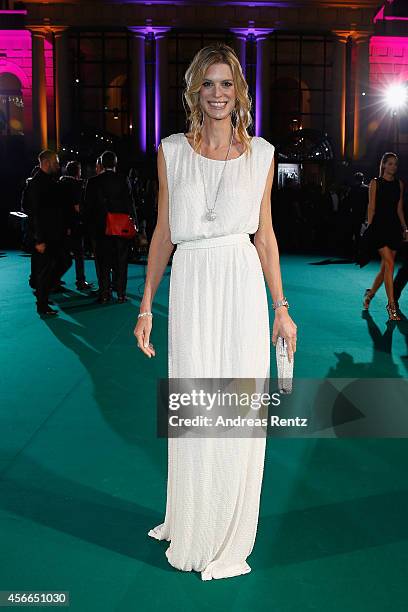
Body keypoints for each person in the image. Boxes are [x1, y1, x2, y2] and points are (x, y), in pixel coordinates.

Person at [133, 43, 297, 580]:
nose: (218, 94)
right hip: (192, 287)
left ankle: (226, 530)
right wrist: (146, 306)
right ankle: (192, 519)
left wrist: (281, 307)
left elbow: (266, 237)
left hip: (241, 288)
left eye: (227, 84)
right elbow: (162, 234)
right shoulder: (172, 151)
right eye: (209, 83)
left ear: (239, 92)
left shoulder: (262, 155)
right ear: (194, 91)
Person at [358, 152, 408, 320]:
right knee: (390, 263)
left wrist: (405, 228)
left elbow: (399, 209)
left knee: (386, 267)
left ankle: (369, 295)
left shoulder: (399, 184)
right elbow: (371, 207)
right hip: (378, 227)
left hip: (393, 228)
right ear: (384, 165)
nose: (394, 166)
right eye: (391, 163)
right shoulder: (375, 183)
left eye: (396, 164)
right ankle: (391, 305)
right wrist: (370, 228)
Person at [83, 150, 137, 303]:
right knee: (121, 262)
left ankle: (105, 293)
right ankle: (121, 294)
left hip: (101, 229)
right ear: (115, 164)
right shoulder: (123, 179)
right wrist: (135, 225)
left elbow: (88, 208)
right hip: (121, 228)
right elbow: (130, 203)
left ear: (100, 164)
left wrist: (89, 229)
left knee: (102, 262)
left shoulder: (93, 182)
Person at [25, 150, 64, 316]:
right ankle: (42, 303)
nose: (58, 165)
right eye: (56, 162)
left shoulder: (47, 181)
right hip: (43, 236)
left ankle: (43, 295)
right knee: (46, 270)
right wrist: (39, 239)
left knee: (57, 264)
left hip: (51, 234)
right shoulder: (37, 184)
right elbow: (34, 212)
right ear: (47, 163)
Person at [59, 161, 94, 291]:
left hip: (61, 224)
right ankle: (80, 281)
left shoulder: (60, 183)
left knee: (62, 254)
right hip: (74, 224)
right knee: (79, 254)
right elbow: (77, 207)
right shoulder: (76, 185)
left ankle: (55, 280)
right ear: (77, 171)